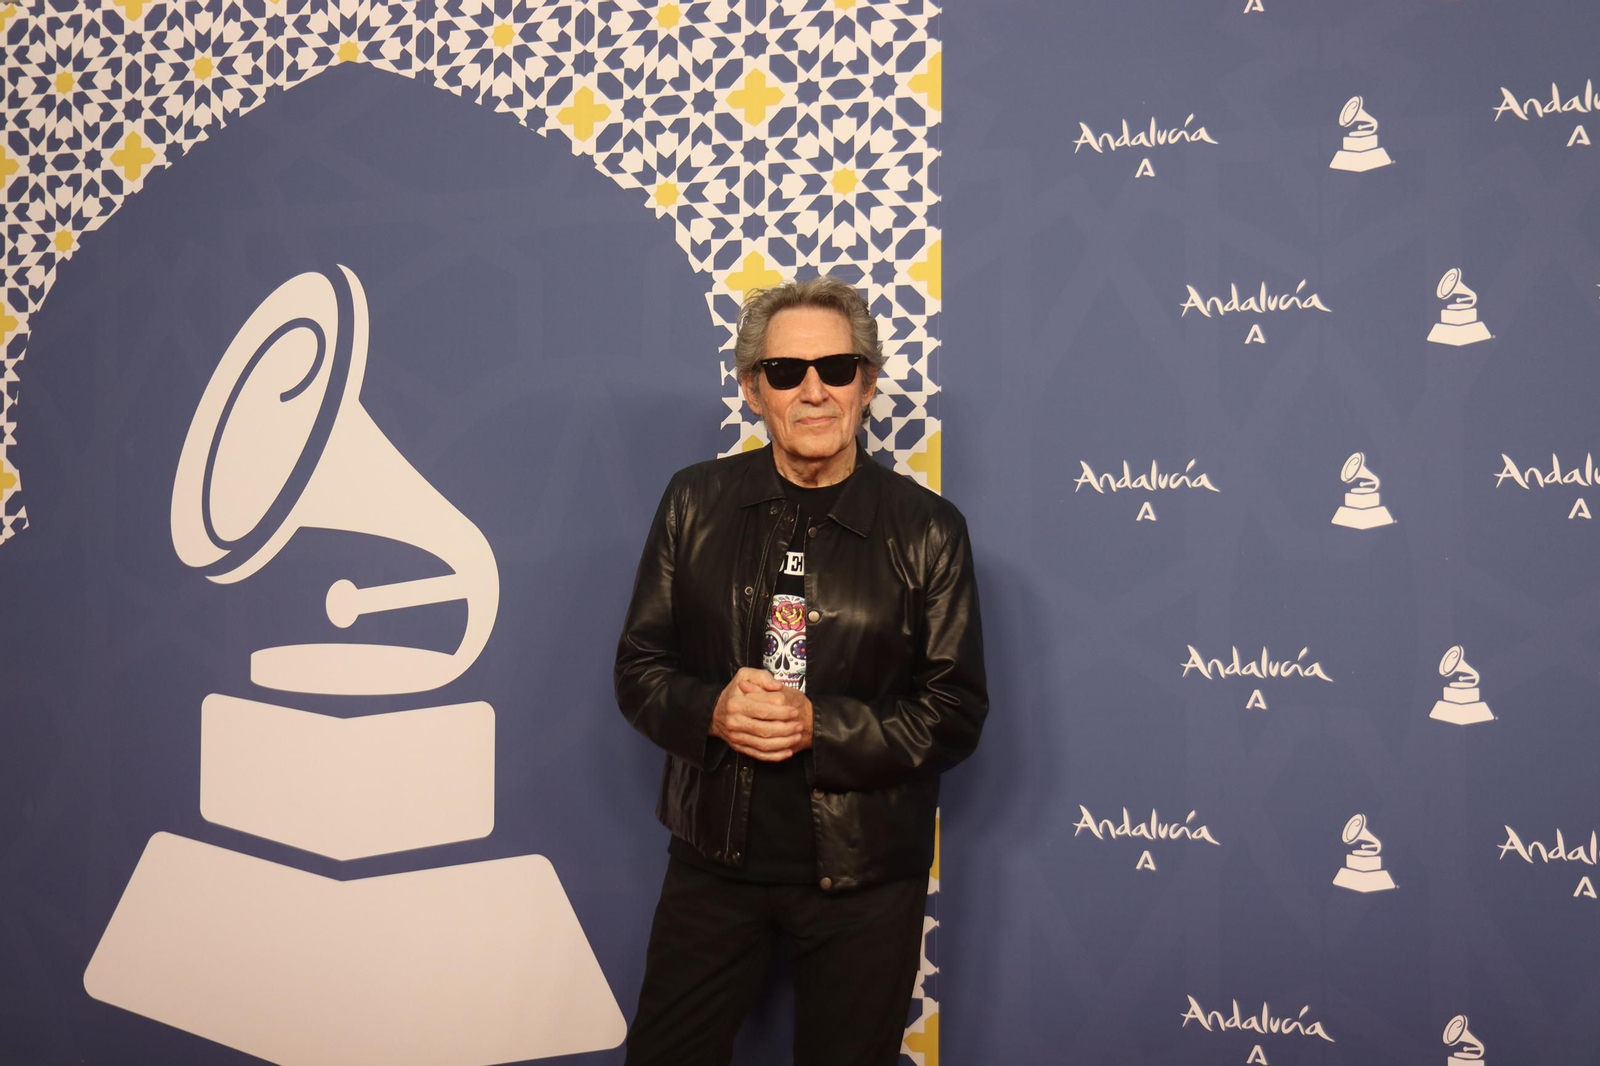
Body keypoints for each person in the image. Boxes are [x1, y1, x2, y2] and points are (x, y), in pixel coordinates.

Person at [614, 274, 988, 1066]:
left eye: (836, 368)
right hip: (713, 862)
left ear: (868, 383)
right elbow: (639, 669)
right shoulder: (693, 502)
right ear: (755, 390)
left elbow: (954, 710)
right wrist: (711, 709)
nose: (813, 391)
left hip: (865, 878)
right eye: (786, 372)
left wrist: (823, 725)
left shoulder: (928, 530)